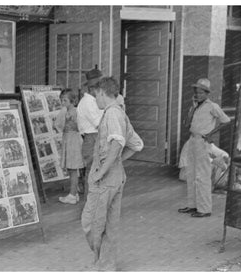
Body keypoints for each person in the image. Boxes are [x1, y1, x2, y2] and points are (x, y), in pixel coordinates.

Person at [81, 77, 144, 271]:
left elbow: (117, 143)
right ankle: (106, 266)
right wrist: (116, 162)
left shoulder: (112, 114)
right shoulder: (120, 114)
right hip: (116, 177)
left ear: (102, 92)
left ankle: (103, 263)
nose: (95, 99)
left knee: (90, 222)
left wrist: (102, 171)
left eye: (96, 95)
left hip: (106, 180)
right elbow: (137, 144)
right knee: (109, 224)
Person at [178, 78, 231, 217]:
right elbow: (186, 125)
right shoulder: (195, 106)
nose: (197, 94)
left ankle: (204, 209)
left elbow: (226, 121)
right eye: (196, 92)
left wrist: (210, 134)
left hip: (203, 142)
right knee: (191, 174)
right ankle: (192, 206)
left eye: (201, 92)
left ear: (207, 93)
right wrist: (192, 108)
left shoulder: (212, 106)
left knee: (202, 176)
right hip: (192, 140)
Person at [77, 66, 104, 202]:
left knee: (98, 171)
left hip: (96, 138)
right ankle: (90, 204)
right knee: (92, 172)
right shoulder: (87, 103)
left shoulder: (94, 101)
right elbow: (99, 123)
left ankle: (95, 202)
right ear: (92, 89)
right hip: (91, 138)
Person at [55, 89, 85, 204]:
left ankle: (72, 195)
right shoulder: (66, 111)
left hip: (73, 140)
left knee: (73, 168)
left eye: (65, 100)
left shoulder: (74, 112)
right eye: (61, 100)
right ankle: (74, 192)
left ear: (72, 101)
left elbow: (79, 126)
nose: (63, 103)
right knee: (70, 168)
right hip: (68, 139)